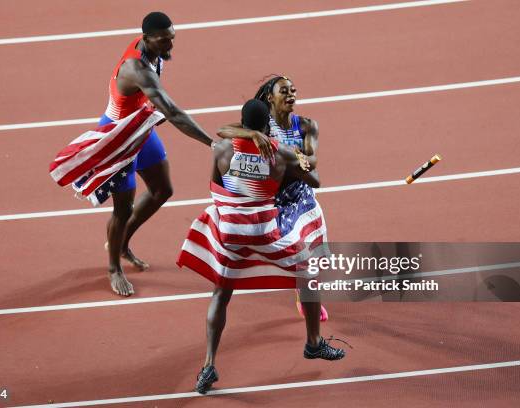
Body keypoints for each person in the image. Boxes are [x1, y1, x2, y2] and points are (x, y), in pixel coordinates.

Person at [177, 100, 345, 394]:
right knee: (308, 273)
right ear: (268, 125)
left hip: (231, 234)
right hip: (264, 232)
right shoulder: (281, 155)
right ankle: (314, 343)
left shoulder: (221, 149)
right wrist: (299, 161)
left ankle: (208, 366)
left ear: (242, 126)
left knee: (221, 292)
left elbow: (218, 187)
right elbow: (315, 180)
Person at [97, 12, 216, 296]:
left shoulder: (151, 49)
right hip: (118, 138)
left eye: (172, 39)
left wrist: (147, 112)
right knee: (122, 208)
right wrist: (211, 143)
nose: (170, 46)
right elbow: (173, 113)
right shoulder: (137, 68)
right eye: (165, 41)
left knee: (162, 189)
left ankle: (122, 242)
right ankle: (114, 267)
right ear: (147, 38)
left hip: (139, 127)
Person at [218, 75, 329, 321]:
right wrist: (254, 136)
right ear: (270, 98)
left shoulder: (307, 125)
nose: (291, 95)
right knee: (286, 251)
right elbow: (223, 130)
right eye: (284, 91)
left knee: (311, 250)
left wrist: (292, 155)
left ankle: (304, 295)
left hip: (300, 196)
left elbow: (312, 163)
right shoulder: (263, 124)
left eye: (294, 90)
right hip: (274, 198)